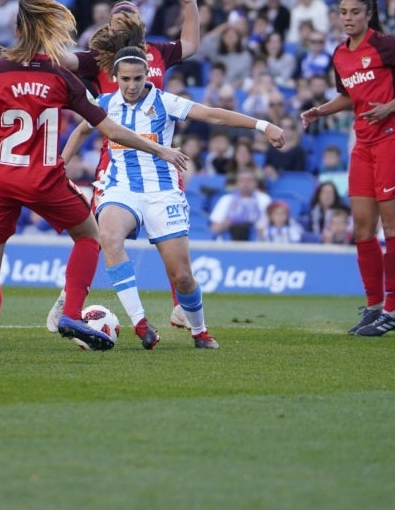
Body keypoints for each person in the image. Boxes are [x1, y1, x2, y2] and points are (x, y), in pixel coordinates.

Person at [0, 0, 189, 361]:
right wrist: (159, 147)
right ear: (48, 32)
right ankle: (70, 314)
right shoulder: (59, 77)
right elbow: (111, 129)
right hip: (44, 179)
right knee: (89, 236)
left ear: (18, 32)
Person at [62, 46, 285, 350]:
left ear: (147, 76)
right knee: (110, 237)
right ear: (114, 77)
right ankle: (141, 325)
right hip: (120, 188)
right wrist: (58, 167)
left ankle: (199, 330)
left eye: (137, 78)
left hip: (162, 193)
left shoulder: (164, 102)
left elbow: (213, 116)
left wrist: (263, 125)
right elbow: (80, 132)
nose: (131, 85)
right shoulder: (104, 104)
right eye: (125, 79)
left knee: (182, 277)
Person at [48, 0, 201, 333]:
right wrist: (42, 38)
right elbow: (64, 61)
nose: (123, 23)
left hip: (160, 158)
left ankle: (182, 307)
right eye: (117, 18)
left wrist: (191, 4)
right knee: (97, 235)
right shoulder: (99, 58)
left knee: (170, 236)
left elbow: (191, 44)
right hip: (116, 159)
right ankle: (69, 300)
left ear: (139, 22)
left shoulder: (158, 53)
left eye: (129, 17)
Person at [300, 0, 395, 337]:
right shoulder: (340, 54)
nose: (348, 18)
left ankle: (394, 309)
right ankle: (374, 306)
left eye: (355, 12)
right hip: (363, 144)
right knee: (361, 229)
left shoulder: (387, 45)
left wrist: (391, 106)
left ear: (368, 14)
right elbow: (349, 96)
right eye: (343, 12)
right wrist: (320, 111)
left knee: (393, 228)